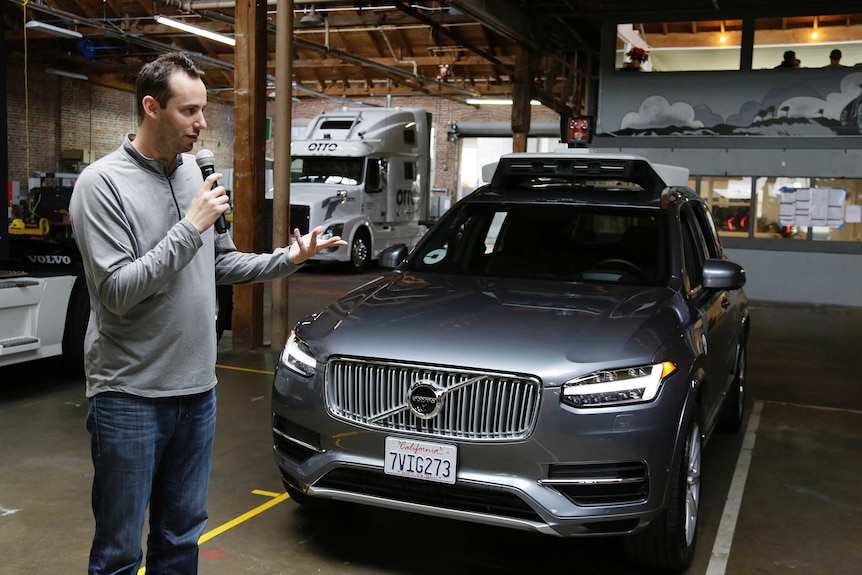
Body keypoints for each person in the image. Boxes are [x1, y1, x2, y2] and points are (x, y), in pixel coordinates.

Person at [68, 52, 346, 575]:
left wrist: (289, 258)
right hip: (129, 397)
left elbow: (218, 261)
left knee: (180, 539)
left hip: (197, 393)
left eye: (204, 110)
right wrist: (188, 227)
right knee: (119, 552)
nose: (202, 123)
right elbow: (116, 291)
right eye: (188, 111)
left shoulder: (195, 174)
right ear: (151, 108)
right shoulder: (101, 185)